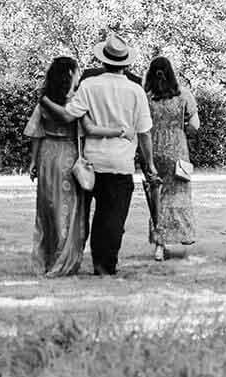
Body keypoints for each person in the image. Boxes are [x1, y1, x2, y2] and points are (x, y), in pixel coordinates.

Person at [62, 35, 159, 277]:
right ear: (126, 64)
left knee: (84, 215)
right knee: (113, 216)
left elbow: (70, 113)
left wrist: (87, 120)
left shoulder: (89, 86)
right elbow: (144, 132)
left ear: (103, 61)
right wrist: (149, 163)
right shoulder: (136, 91)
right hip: (121, 162)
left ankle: (76, 257)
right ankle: (105, 264)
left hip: (91, 161)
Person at [24, 56, 98, 277]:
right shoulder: (77, 101)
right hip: (69, 155)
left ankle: (47, 257)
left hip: (48, 155)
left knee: (48, 207)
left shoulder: (44, 101)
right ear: (70, 75)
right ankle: (64, 256)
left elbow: (35, 133)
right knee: (69, 210)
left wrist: (33, 161)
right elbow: (84, 132)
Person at [143, 56, 199, 261]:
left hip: (153, 149)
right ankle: (183, 233)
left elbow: (141, 126)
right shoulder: (183, 94)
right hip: (178, 148)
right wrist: (181, 127)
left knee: (156, 195)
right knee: (180, 191)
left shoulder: (146, 96)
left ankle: (160, 244)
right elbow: (195, 125)